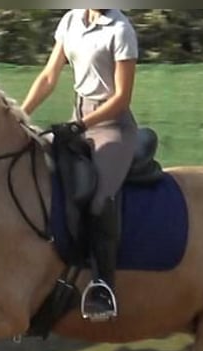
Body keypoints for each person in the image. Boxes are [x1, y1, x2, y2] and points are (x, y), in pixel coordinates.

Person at [21, 9, 140, 322]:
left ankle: (103, 286)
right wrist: (19, 115)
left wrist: (80, 125)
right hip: (79, 119)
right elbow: (49, 76)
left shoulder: (121, 29)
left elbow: (122, 98)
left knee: (99, 198)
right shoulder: (71, 21)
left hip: (112, 126)